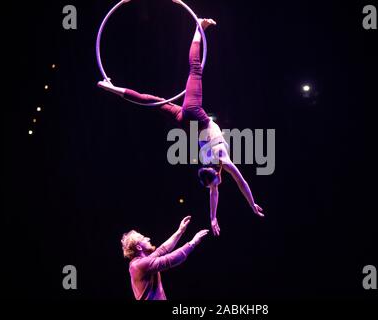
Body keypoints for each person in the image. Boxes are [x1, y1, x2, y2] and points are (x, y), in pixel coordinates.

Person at [99, 19, 264, 236]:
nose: (216, 186)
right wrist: (214, 216)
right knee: (151, 101)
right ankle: (108, 87)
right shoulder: (210, 168)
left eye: (215, 183)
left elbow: (241, 183)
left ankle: (199, 27)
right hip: (185, 123)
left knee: (195, 69)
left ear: (214, 175)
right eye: (215, 184)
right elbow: (214, 192)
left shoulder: (222, 161)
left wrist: (250, 204)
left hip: (193, 114)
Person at [121, 216, 209, 300]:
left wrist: (180, 231)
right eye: (143, 238)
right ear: (139, 247)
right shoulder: (140, 265)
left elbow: (162, 250)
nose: (148, 238)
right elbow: (169, 260)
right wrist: (192, 243)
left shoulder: (140, 263)